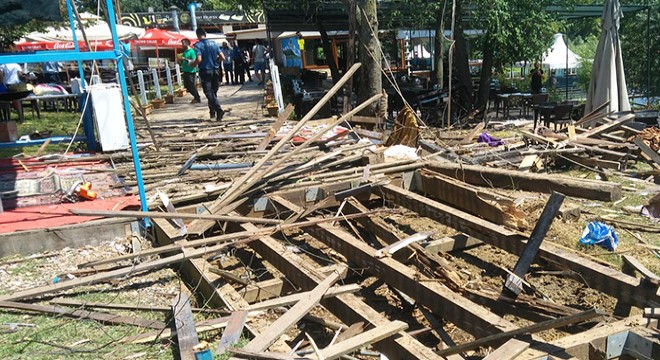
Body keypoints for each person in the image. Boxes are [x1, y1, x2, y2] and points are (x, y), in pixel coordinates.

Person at [191, 28, 225, 121]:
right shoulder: (214, 43)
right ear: (205, 34)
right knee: (213, 92)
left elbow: (199, 59)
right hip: (215, 70)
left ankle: (218, 110)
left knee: (208, 92)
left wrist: (192, 64)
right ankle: (212, 112)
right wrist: (216, 62)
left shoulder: (198, 45)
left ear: (197, 35)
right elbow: (222, 57)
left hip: (205, 70)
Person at [178, 39, 201, 103]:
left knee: (191, 85)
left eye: (183, 43)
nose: (182, 45)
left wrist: (185, 59)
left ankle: (197, 97)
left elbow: (194, 60)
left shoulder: (191, 51)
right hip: (185, 70)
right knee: (187, 86)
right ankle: (196, 96)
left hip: (191, 71)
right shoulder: (185, 52)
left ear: (187, 43)